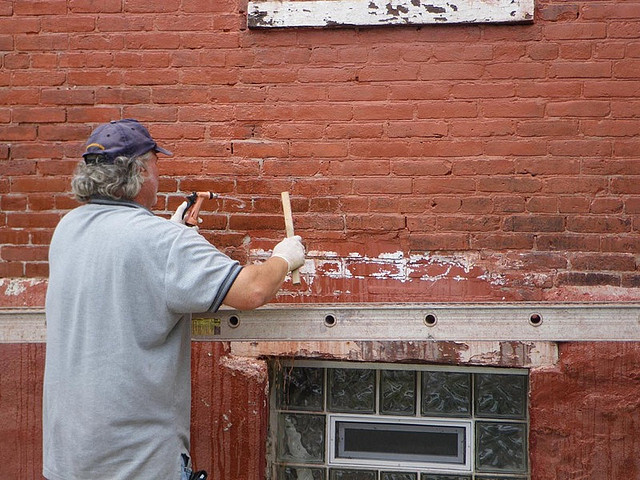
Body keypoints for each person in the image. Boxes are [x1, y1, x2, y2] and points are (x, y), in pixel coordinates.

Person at [43, 119, 305, 480]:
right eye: (155, 163)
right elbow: (253, 289)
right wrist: (284, 257)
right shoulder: (162, 242)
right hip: (138, 465)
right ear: (139, 171)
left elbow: (124, 277)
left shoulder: (68, 228)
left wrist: (172, 232)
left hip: (68, 460)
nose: (159, 173)